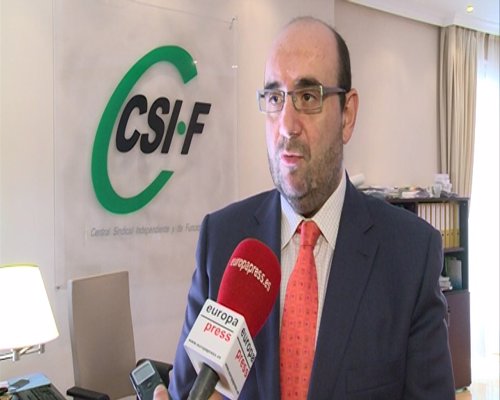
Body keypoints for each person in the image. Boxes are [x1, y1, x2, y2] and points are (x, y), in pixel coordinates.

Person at [159, 16, 455, 400]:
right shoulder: (222, 240)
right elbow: (187, 388)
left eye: (308, 97)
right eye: (274, 98)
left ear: (347, 114)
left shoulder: (410, 254)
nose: (287, 125)